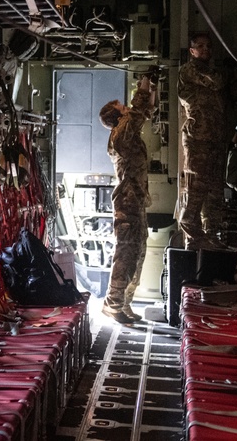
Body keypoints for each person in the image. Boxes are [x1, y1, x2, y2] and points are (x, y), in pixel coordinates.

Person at [98, 75, 155, 324]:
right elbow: (137, 114)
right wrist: (142, 87)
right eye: (122, 106)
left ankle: (124, 303)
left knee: (138, 254)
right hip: (128, 203)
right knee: (126, 254)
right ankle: (113, 304)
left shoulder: (126, 135)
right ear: (116, 117)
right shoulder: (120, 135)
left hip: (136, 201)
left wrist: (150, 89)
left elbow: (143, 113)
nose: (127, 107)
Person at [177, 32, 227, 250]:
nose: (205, 49)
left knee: (215, 189)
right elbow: (217, 82)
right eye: (200, 46)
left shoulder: (206, 69)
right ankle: (193, 235)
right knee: (197, 187)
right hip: (198, 137)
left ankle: (213, 236)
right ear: (192, 51)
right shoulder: (190, 69)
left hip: (214, 137)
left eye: (208, 46)